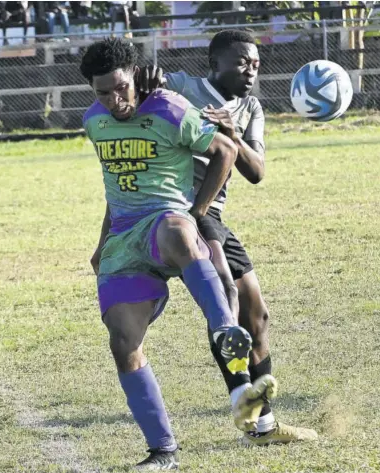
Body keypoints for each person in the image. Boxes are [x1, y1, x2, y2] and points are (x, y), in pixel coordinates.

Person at [102, 29, 320, 446]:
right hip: (172, 210)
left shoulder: (251, 107)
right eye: (241, 62)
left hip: (209, 213)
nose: (250, 70)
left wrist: (233, 132)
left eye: (255, 64)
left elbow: (256, 171)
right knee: (226, 300)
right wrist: (147, 77)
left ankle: (262, 420)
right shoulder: (186, 86)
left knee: (256, 316)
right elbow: (147, 87)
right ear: (214, 63)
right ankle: (251, 412)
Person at [81, 37, 277, 470]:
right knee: (123, 343)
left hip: (177, 216)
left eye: (121, 88)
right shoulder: (98, 120)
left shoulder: (176, 106)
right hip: (125, 236)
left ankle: (251, 396)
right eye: (103, 92)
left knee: (236, 296)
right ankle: (163, 450)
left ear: (134, 79)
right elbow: (116, 185)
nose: (115, 100)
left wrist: (198, 209)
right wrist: (101, 244)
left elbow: (243, 163)